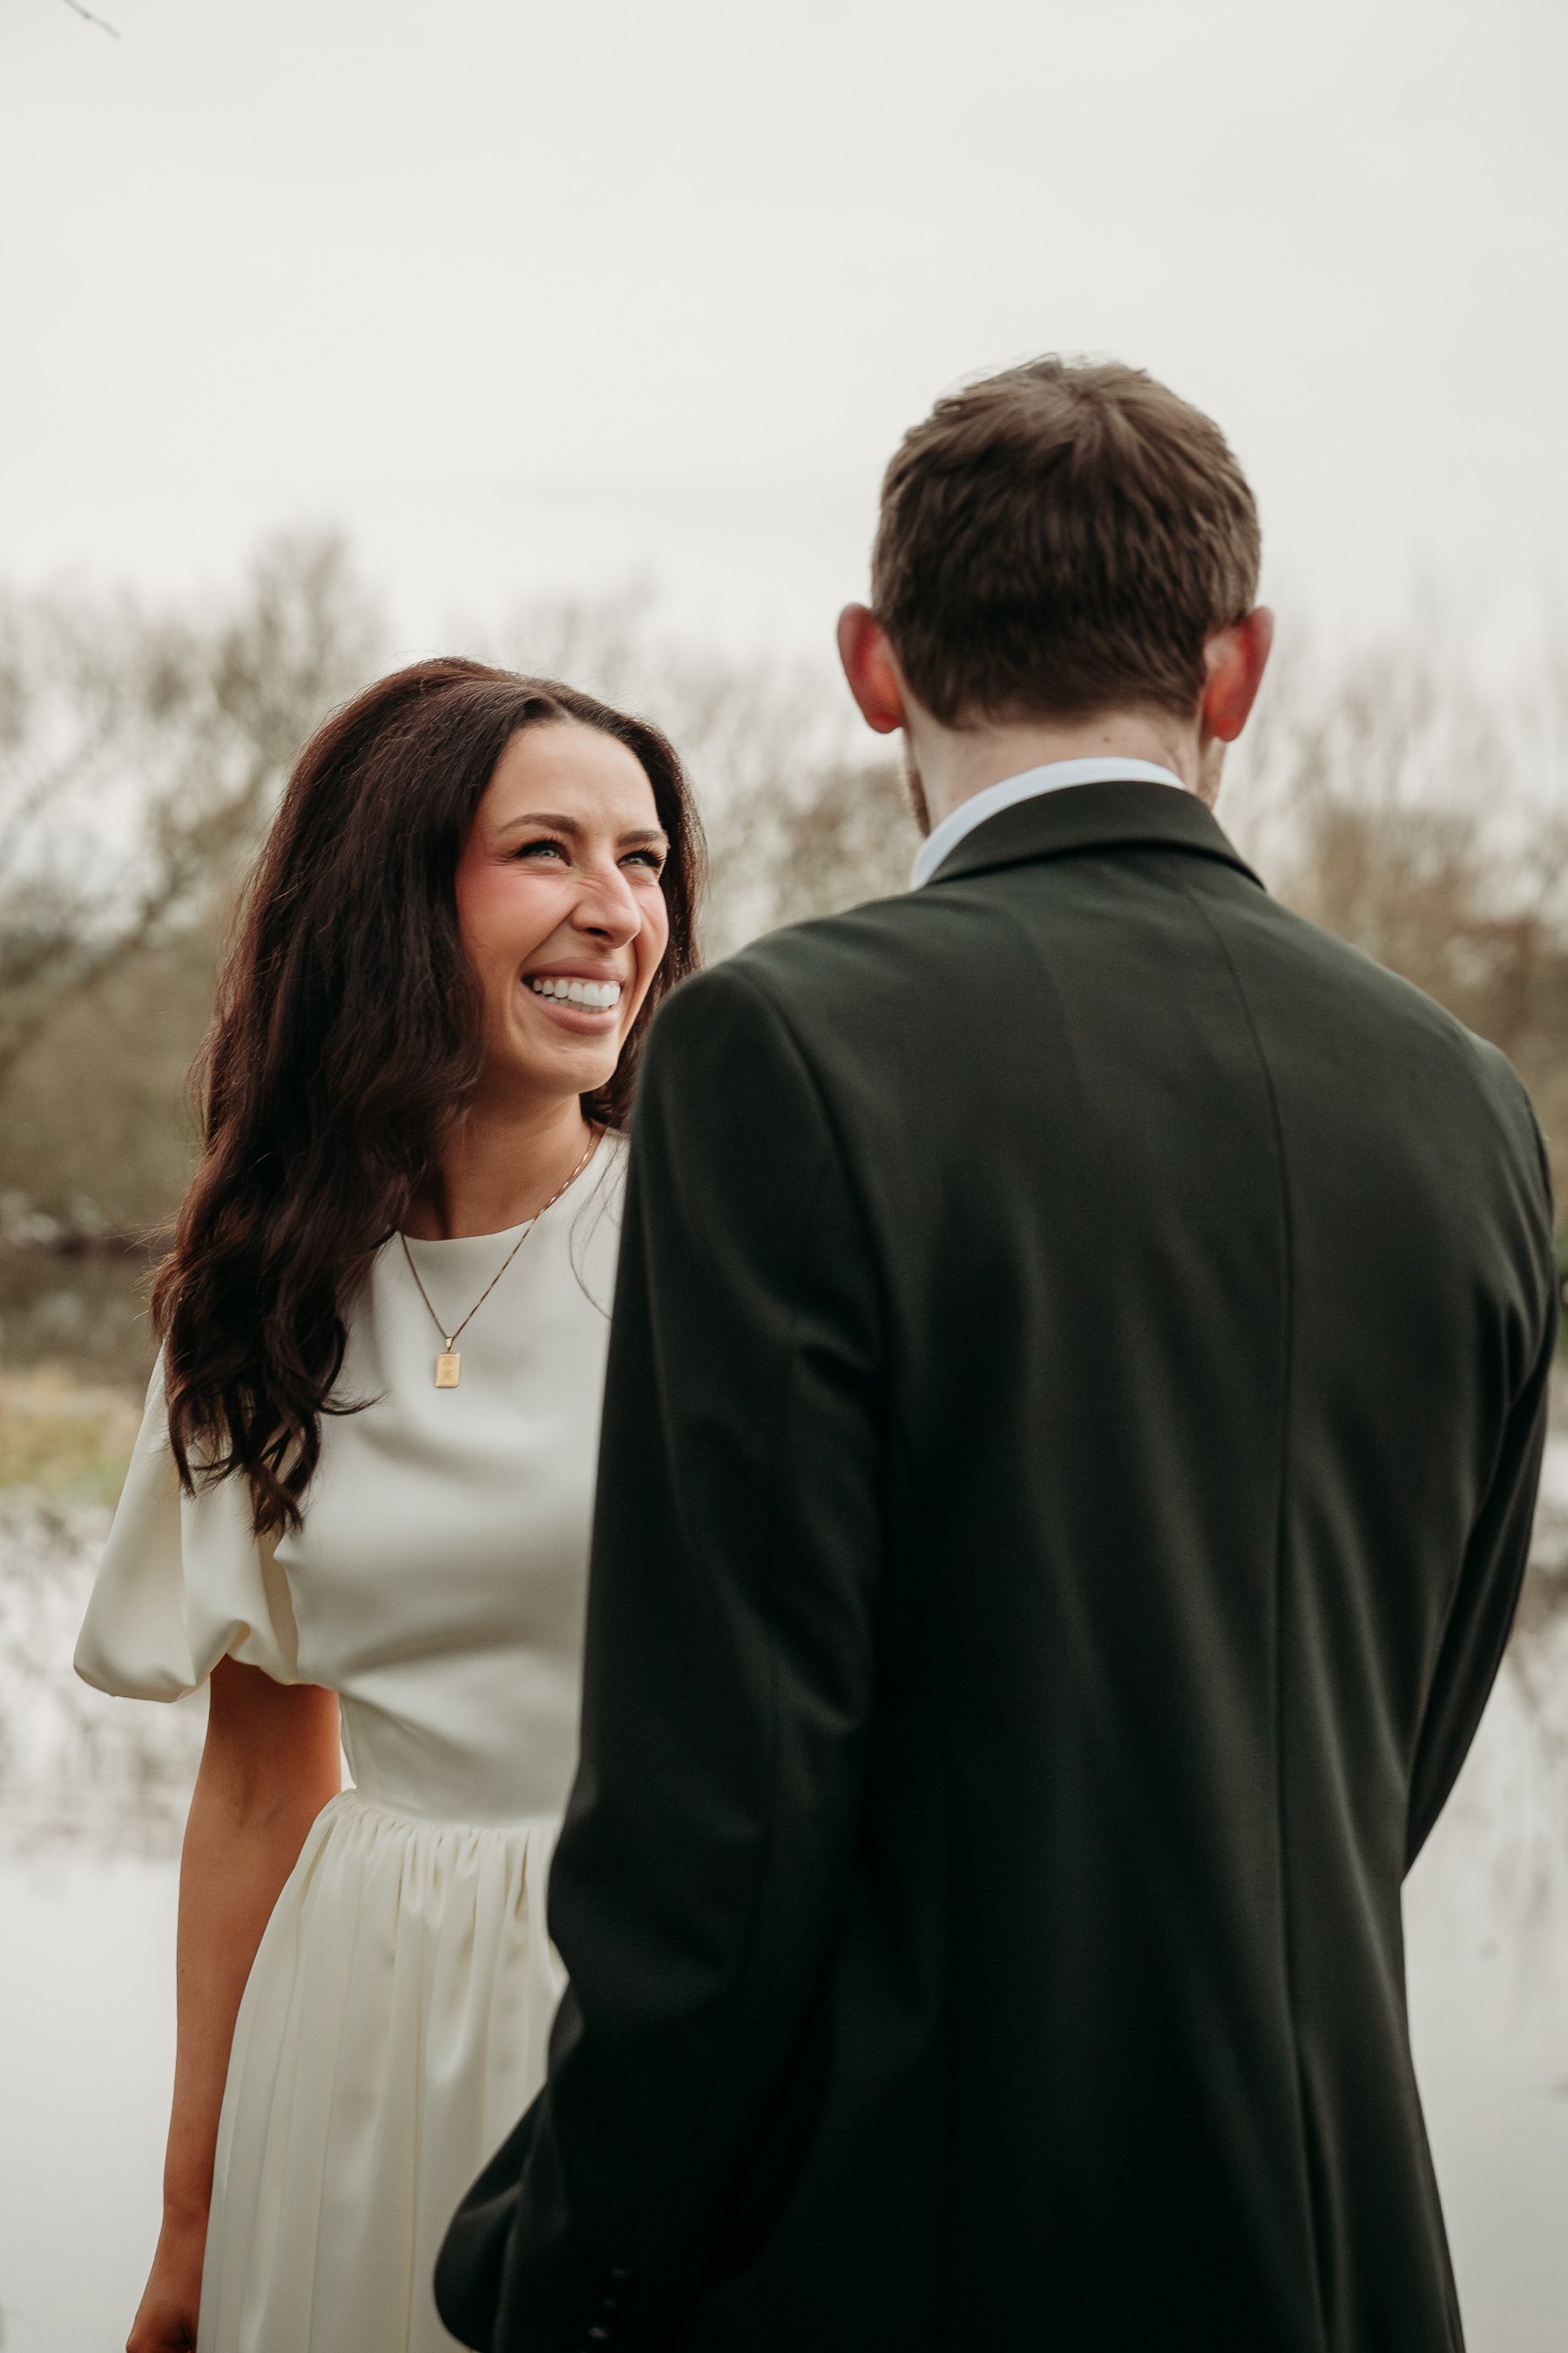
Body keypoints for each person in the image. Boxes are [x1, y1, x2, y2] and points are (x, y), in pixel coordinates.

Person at [436, 359, 1558, 2353]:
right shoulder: (1467, 1105)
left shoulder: (784, 1051)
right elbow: (1394, 1746)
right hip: (1344, 2251)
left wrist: (561, 2263)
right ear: (1242, 667)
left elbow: (720, 1818)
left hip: (909, 2254)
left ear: (877, 665)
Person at [73, 657, 702, 2353]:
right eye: (547, 852)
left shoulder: (727, 1254)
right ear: (395, 901)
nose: (614, 912)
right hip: (351, 2018)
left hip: (656, 2009)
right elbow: (265, 1784)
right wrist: (189, 2221)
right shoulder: (259, 1291)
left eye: (644, 861)